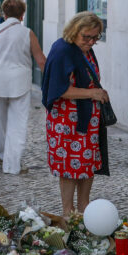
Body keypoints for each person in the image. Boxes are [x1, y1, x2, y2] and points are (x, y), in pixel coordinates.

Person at [42, 11, 108, 216]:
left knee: (86, 164)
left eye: (95, 38)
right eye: (86, 37)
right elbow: (58, 90)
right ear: (74, 31)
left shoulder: (85, 50)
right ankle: (68, 213)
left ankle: (85, 209)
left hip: (87, 118)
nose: (90, 41)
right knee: (68, 168)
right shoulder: (63, 50)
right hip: (66, 120)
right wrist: (92, 93)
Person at [0, 0, 46, 174]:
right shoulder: (27, 33)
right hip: (19, 82)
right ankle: (13, 164)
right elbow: (41, 60)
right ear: (22, 15)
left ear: (4, 13)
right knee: (18, 123)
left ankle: (0, 153)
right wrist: (50, 82)